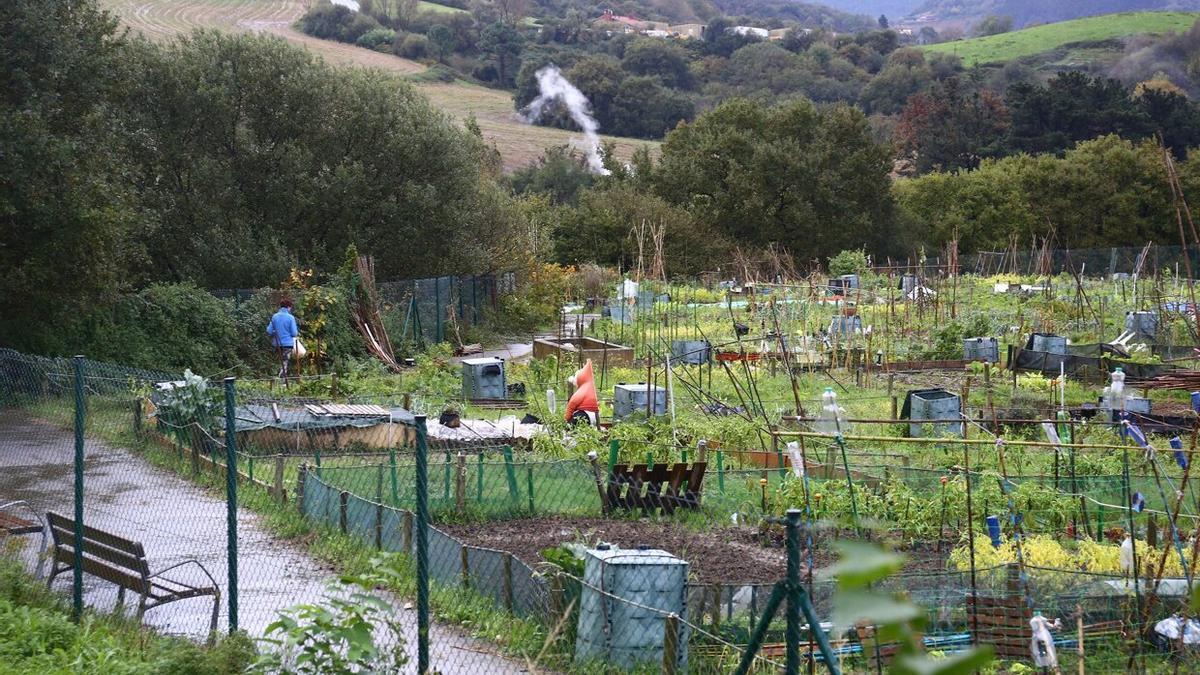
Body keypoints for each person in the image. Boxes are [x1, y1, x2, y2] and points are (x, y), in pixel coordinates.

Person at [266, 299, 299, 381]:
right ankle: (282, 381)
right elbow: (294, 333)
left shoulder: (275, 316)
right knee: (285, 362)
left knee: (281, 361)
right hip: (287, 344)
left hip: (277, 343)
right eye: (290, 308)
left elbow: (269, 331)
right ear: (288, 307)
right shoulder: (290, 318)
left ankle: (279, 379)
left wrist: (276, 332)